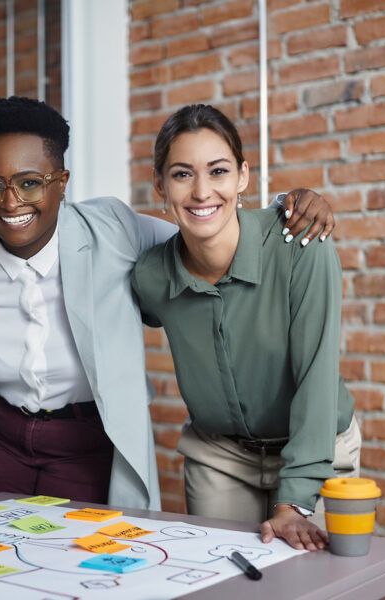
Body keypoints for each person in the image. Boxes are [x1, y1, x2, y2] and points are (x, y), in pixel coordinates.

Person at [0, 96, 337, 511]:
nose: (11, 202)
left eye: (29, 182)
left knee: (78, 556)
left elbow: (206, 233)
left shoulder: (114, 231)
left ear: (61, 181)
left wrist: (288, 205)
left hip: (83, 439)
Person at [131, 104, 361, 551]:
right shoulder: (151, 277)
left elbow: (317, 380)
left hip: (318, 449)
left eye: (218, 171)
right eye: (182, 175)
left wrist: (293, 503)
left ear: (243, 177)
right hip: (219, 457)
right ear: (160, 185)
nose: (201, 192)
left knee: (318, 586)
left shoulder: (301, 246)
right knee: (223, 581)